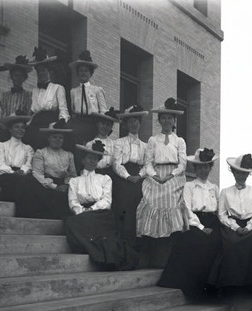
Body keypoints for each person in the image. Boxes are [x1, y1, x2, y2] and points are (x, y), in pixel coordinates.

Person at [209, 153, 252, 311]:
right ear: (233, 173)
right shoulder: (226, 192)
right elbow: (221, 215)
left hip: (250, 227)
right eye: (238, 172)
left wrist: (249, 227)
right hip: (232, 226)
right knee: (232, 244)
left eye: (244, 173)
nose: (241, 175)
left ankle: (251, 288)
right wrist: (235, 227)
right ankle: (232, 288)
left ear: (248, 174)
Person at [157, 148, 221, 298]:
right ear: (195, 168)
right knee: (196, 241)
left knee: (218, 241)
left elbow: (218, 210)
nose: (203, 170)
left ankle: (212, 287)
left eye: (206, 167)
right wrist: (201, 227)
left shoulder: (214, 188)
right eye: (200, 167)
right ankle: (194, 289)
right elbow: (186, 208)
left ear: (210, 168)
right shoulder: (189, 186)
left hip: (213, 220)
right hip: (195, 221)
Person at [136, 98, 189, 268]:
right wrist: (154, 175)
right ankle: (152, 255)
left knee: (172, 206)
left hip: (174, 177)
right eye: (163, 118)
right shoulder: (153, 140)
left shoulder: (179, 141)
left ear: (174, 121)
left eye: (170, 118)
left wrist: (171, 175)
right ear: (159, 120)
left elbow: (183, 164)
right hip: (156, 175)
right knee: (151, 204)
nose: (167, 121)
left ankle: (169, 256)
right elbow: (148, 162)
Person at [64, 143, 125, 270]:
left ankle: (105, 257)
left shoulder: (105, 179)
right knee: (71, 222)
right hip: (81, 213)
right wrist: (82, 211)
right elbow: (73, 201)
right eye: (89, 158)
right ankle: (93, 252)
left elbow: (107, 200)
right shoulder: (75, 181)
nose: (92, 161)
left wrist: (91, 209)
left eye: (95, 159)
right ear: (82, 160)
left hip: (100, 212)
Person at [111, 105, 149, 269]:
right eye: (131, 121)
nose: (134, 125)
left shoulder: (146, 146)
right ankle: (123, 258)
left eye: (136, 121)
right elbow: (116, 163)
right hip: (123, 181)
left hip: (140, 181)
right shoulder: (119, 143)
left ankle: (136, 259)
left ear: (140, 124)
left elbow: (148, 164)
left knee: (137, 218)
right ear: (126, 124)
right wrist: (128, 177)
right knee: (124, 218)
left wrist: (139, 176)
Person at [0, 55, 33, 174]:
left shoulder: (28, 95)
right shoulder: (5, 95)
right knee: (0, 137)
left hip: (20, 125)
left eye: (20, 76)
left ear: (24, 78)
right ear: (11, 77)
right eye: (15, 75)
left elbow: (28, 112)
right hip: (7, 125)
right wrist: (5, 124)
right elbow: (3, 113)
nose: (18, 78)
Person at [15, 125, 77, 219]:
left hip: (63, 185)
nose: (57, 140)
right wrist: (55, 187)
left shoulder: (68, 155)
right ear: (48, 138)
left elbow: (73, 175)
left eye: (60, 137)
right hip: (46, 184)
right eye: (54, 137)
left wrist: (67, 185)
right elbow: (37, 173)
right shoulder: (41, 152)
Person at [24, 47, 71, 151]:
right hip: (36, 121)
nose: (41, 74)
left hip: (50, 120)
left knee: (42, 138)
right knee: (26, 139)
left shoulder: (58, 88)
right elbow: (32, 110)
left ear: (49, 71)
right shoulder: (35, 90)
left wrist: (62, 120)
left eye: (43, 71)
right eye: (38, 72)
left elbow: (63, 109)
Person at [67, 50, 107, 145]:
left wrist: (101, 126)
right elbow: (71, 110)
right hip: (77, 123)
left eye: (86, 71)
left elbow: (103, 111)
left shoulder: (97, 90)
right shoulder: (73, 91)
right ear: (77, 73)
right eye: (81, 71)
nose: (83, 73)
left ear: (90, 73)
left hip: (92, 123)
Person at [0, 116, 34, 206]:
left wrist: (22, 171)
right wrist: (13, 172)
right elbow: (0, 165)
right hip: (7, 175)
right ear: (10, 130)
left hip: (22, 174)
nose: (20, 130)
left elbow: (28, 164)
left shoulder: (28, 148)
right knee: (15, 182)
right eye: (17, 127)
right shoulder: (2, 145)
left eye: (22, 127)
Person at [83, 107, 120, 176]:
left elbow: (116, 162)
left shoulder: (114, 144)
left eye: (108, 125)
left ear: (111, 127)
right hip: (94, 173)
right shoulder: (90, 143)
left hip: (110, 174)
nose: (105, 127)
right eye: (103, 123)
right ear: (98, 124)